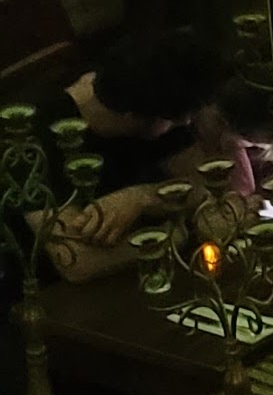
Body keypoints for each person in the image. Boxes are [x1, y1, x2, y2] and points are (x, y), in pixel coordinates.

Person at [47, 26, 236, 280]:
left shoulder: (159, 89)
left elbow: (204, 190)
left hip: (156, 271)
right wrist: (178, 234)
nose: (187, 123)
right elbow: (76, 261)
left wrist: (142, 198)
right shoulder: (43, 137)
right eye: (180, 120)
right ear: (131, 117)